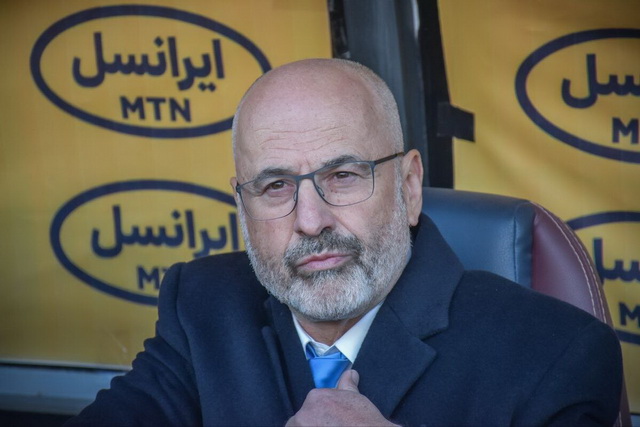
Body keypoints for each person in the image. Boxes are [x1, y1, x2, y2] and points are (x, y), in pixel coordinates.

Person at [68, 58, 622, 426]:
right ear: (242, 205)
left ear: (409, 187)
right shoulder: (202, 305)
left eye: (343, 176)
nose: (310, 221)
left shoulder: (555, 353)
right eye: (276, 186)